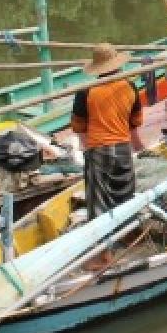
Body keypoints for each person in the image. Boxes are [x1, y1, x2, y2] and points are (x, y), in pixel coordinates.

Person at [71, 43, 141, 222]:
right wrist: (138, 147)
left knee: (98, 203)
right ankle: (126, 231)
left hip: (99, 151)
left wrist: (86, 149)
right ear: (118, 65)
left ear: (97, 69)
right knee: (125, 196)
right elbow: (136, 122)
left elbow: (79, 127)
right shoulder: (130, 87)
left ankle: (104, 247)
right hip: (123, 149)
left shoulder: (86, 92)